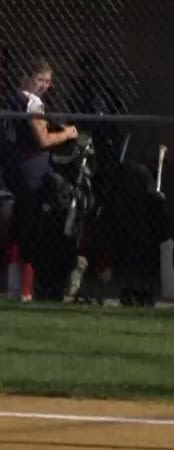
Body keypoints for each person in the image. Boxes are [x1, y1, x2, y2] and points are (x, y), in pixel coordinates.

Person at [2, 57, 79, 301]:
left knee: (19, 225)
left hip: (14, 168)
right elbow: (43, 140)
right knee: (32, 228)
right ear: (26, 77)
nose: (44, 86)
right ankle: (25, 290)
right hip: (32, 172)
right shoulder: (31, 102)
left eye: (48, 81)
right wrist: (67, 133)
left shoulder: (12, 99)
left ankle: (16, 288)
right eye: (40, 80)